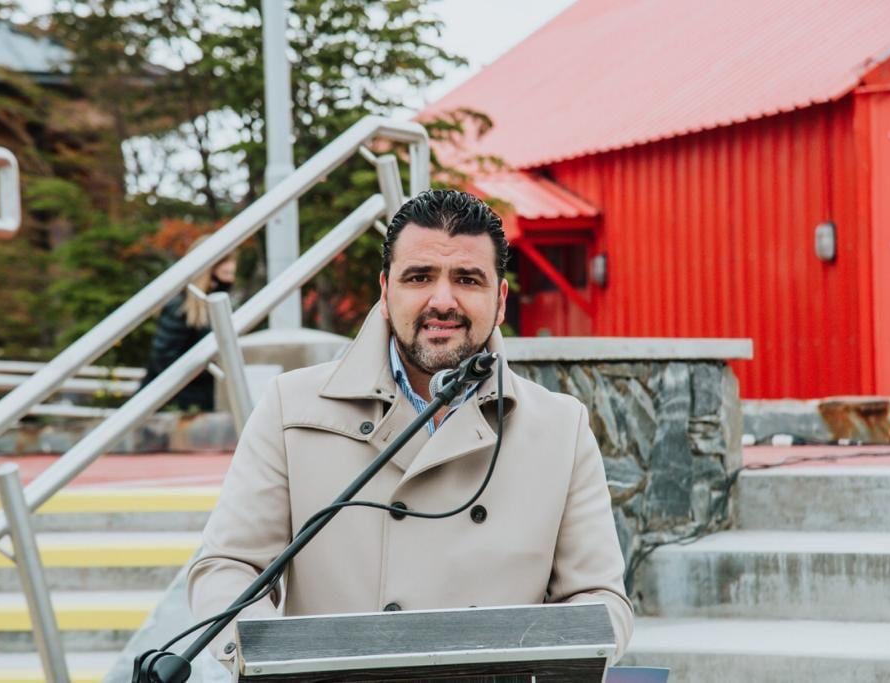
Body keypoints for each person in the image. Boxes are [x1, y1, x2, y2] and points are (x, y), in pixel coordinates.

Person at [187, 189, 633, 669]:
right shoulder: (289, 408)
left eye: (467, 278)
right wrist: (273, 661)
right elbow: (227, 568)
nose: (442, 301)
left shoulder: (561, 429)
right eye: (419, 277)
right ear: (385, 292)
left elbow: (598, 598)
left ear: (500, 300)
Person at [141, 238, 237, 411]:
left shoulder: (214, 309)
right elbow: (164, 360)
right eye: (226, 274)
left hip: (201, 399)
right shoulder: (181, 308)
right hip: (176, 403)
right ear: (209, 274)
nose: (230, 281)